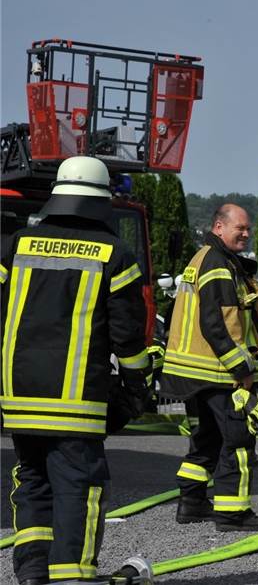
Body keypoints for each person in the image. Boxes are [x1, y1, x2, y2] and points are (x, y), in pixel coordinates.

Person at [1, 156, 151, 584]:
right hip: (76, 400)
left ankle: (32, 575)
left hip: (19, 394)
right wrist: (137, 384)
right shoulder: (115, 254)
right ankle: (71, 577)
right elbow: (128, 337)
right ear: (102, 201)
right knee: (77, 489)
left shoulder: (18, 245)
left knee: (32, 482)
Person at [161, 203, 258, 532]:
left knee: (206, 439)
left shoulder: (205, 258)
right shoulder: (218, 264)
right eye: (240, 227)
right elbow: (219, 326)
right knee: (238, 439)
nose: (246, 233)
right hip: (218, 372)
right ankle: (232, 513)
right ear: (219, 227)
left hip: (196, 373)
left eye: (248, 228)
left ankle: (193, 503)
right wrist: (243, 371)